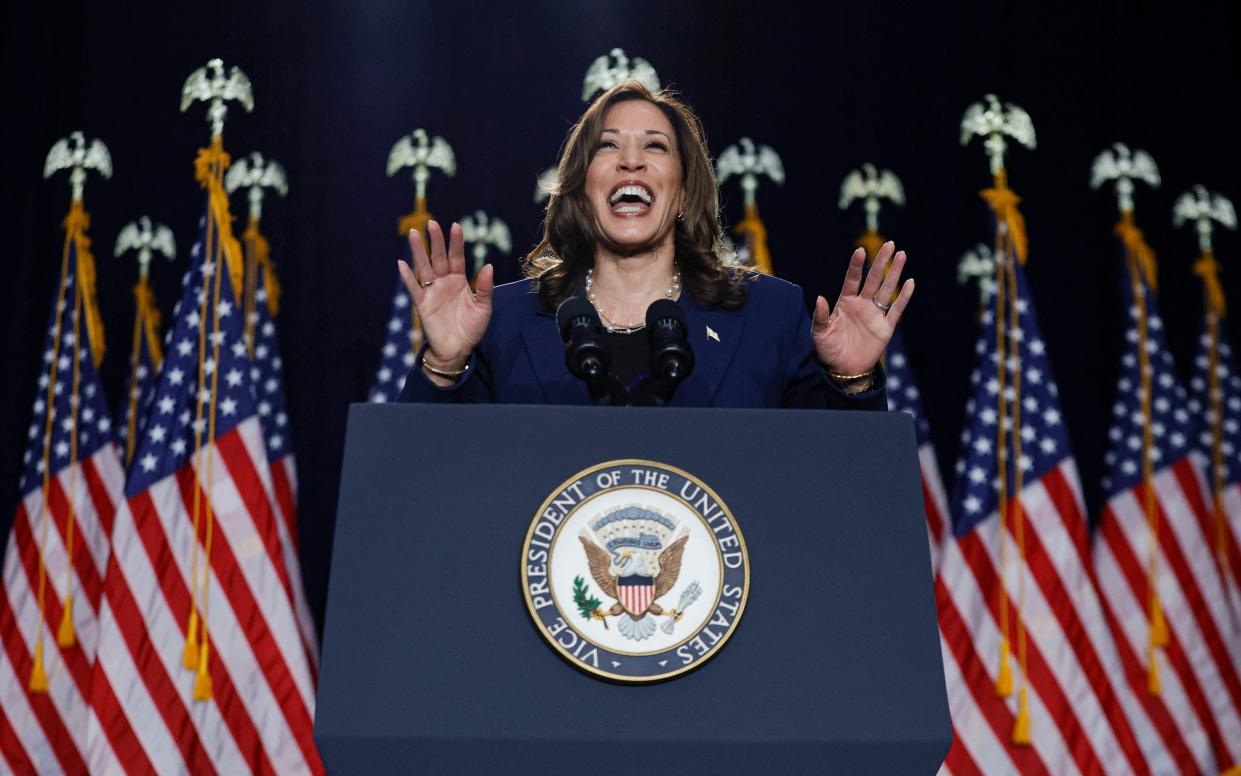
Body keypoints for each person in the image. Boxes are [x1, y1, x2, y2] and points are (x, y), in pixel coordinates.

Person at [396, 81, 913, 408]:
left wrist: (852, 381)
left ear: (685, 191)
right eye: (609, 147)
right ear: (581, 189)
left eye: (655, 147)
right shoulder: (504, 320)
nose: (631, 162)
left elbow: (833, 488)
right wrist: (444, 363)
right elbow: (427, 483)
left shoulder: (769, 316)